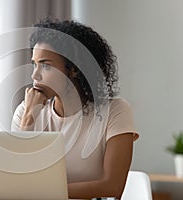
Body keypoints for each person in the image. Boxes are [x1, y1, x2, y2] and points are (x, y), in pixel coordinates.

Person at [11, 18, 139, 199]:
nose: (35, 75)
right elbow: (14, 180)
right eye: (34, 64)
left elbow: (113, 186)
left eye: (46, 65)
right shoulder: (26, 111)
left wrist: (43, 192)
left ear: (74, 69)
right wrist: (28, 121)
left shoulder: (114, 111)